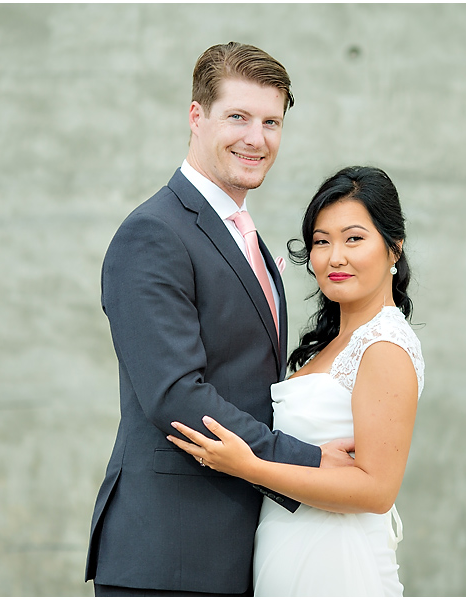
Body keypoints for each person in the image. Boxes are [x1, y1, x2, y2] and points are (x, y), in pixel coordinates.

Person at [84, 42, 355, 597]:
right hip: (170, 556)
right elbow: (177, 397)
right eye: (238, 117)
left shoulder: (243, 233)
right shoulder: (154, 234)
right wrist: (305, 463)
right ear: (195, 116)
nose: (256, 138)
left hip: (237, 550)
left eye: (271, 122)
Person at [168, 165, 425, 596]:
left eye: (354, 238)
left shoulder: (385, 344)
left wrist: (250, 466)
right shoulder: (329, 344)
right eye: (322, 242)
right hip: (287, 552)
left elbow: (376, 489)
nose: (334, 257)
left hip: (338, 564)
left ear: (394, 248)